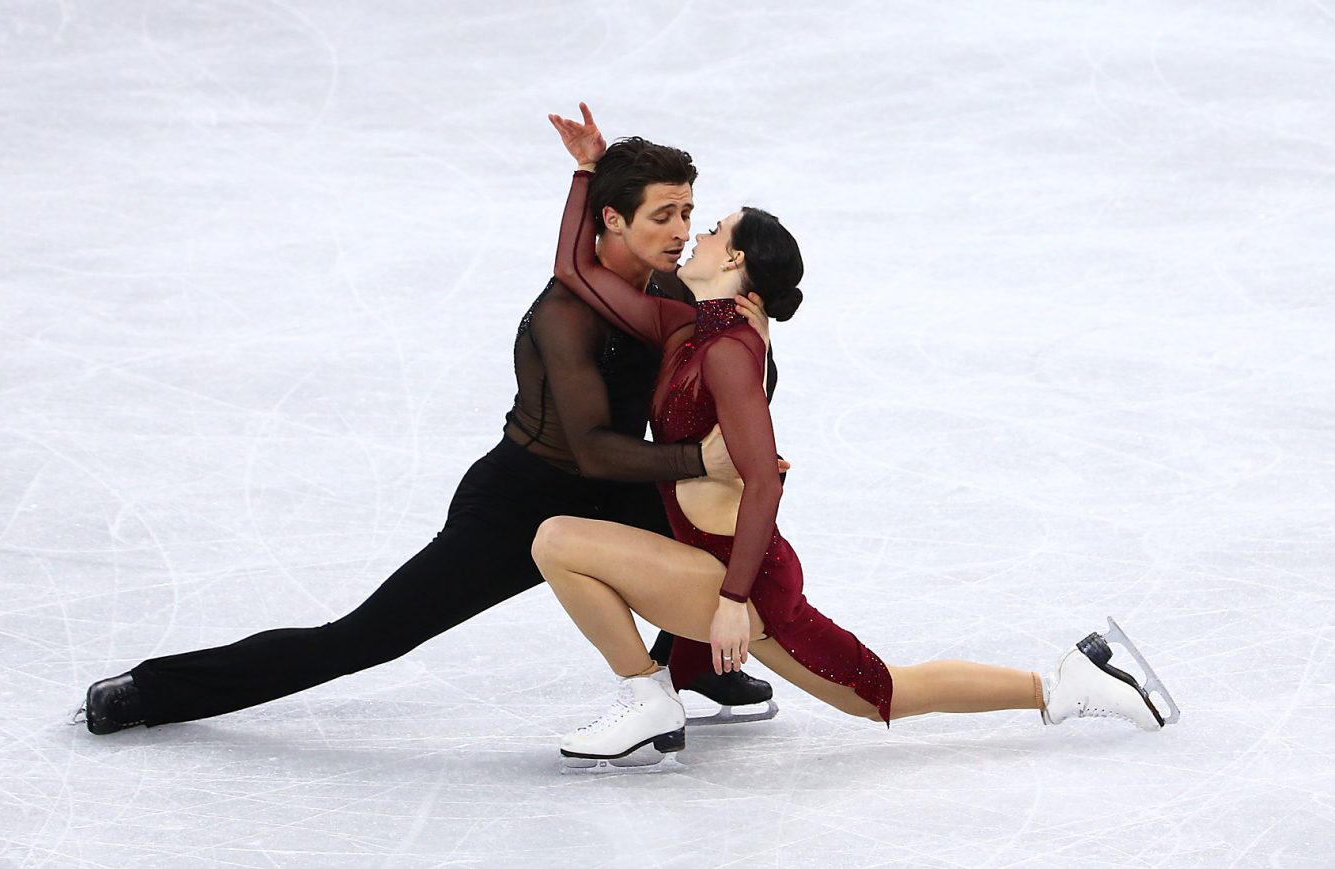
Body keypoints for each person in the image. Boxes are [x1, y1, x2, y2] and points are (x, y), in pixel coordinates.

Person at [76, 133, 787, 735]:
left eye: (687, 213)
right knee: (365, 638)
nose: (682, 232)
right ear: (613, 218)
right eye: (663, 215)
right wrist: (699, 459)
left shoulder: (669, 288)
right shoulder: (565, 316)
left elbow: (730, 359)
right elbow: (594, 447)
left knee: (725, 532)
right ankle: (154, 690)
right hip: (525, 500)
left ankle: (694, 668)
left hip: (625, 482)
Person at [535, 104, 1180, 766]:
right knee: (881, 694)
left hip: (736, 580)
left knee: (557, 540)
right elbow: (576, 273)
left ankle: (648, 696)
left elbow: (762, 482)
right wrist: (587, 170)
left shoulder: (728, 350)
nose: (693, 235)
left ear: (734, 259)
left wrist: (731, 603)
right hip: (721, 567)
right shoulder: (689, 325)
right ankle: (1065, 685)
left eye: (711, 229)